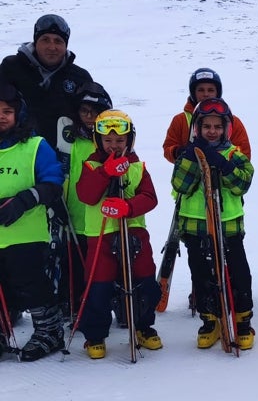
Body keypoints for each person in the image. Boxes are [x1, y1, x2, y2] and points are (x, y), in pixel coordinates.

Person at [75, 110, 162, 359]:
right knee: (99, 287)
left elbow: (150, 197)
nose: (114, 146)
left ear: (129, 140)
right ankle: (95, 334)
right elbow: (87, 195)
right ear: (98, 140)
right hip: (101, 235)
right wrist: (105, 172)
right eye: (108, 141)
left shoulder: (136, 166)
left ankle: (143, 326)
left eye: (120, 141)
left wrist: (129, 206)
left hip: (133, 233)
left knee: (145, 281)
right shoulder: (92, 165)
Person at [171, 98, 255, 350]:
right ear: (197, 128)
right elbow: (179, 185)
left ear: (226, 128)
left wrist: (223, 165)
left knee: (239, 274)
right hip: (197, 227)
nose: (212, 131)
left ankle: (242, 321)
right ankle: (210, 320)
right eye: (206, 126)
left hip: (228, 226)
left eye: (218, 126)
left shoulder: (234, 155)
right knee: (202, 274)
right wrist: (195, 160)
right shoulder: (188, 154)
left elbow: (243, 183)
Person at [0, 81, 66, 362]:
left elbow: (53, 181)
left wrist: (24, 199)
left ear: (19, 114)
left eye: (7, 111)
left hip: (26, 233)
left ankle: (49, 331)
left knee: (30, 284)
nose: (2, 116)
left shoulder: (35, 145)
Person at [0, 14, 93, 151]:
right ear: (35, 42)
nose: (52, 47)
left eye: (58, 41)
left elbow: (95, 117)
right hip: (17, 153)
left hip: (67, 156)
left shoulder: (79, 77)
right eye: (45, 40)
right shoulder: (11, 68)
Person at [61, 82, 114, 317]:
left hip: (105, 219)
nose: (90, 117)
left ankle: (115, 303)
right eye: (84, 111)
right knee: (76, 265)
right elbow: (63, 175)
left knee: (107, 267)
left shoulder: (110, 141)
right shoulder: (70, 141)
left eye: (95, 112)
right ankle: (76, 306)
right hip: (76, 215)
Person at [163, 68, 251, 163]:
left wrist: (226, 163)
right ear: (193, 93)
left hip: (225, 175)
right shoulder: (180, 120)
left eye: (210, 90)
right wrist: (179, 152)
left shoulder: (232, 121)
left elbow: (245, 154)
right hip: (189, 173)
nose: (206, 94)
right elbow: (168, 148)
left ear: (217, 92)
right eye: (201, 90)